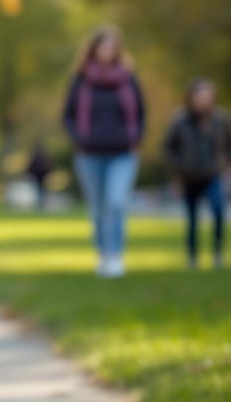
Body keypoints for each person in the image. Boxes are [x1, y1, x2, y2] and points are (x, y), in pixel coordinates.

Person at [62, 25, 145, 278]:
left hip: (123, 153)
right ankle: (103, 254)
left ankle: (116, 256)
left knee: (116, 202)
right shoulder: (82, 79)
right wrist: (80, 137)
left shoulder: (128, 78)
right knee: (98, 208)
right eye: (103, 45)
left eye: (112, 46)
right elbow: (67, 115)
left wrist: (135, 137)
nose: (108, 50)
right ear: (94, 48)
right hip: (90, 154)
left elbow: (142, 113)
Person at [163, 78, 231, 270]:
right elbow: (169, 148)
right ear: (192, 98)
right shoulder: (180, 121)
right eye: (200, 96)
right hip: (188, 176)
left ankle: (218, 253)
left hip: (213, 174)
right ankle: (192, 257)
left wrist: (229, 164)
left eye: (208, 96)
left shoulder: (221, 119)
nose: (204, 100)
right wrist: (177, 171)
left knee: (218, 210)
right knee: (192, 218)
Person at [25, 141, 55, 212]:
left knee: (41, 191)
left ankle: (41, 204)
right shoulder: (40, 157)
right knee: (41, 191)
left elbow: (30, 167)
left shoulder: (39, 157)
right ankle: (41, 204)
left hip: (41, 176)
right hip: (39, 176)